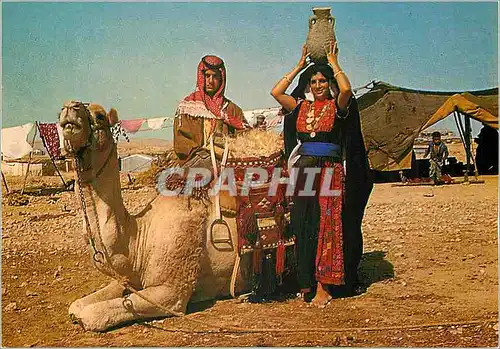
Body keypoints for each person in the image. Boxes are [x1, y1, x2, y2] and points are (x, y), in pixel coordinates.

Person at [270, 43, 373, 307]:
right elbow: (276, 91)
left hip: (329, 171)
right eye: (313, 81)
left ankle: (324, 286)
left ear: (328, 84)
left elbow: (347, 90)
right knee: (306, 225)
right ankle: (307, 282)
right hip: (304, 172)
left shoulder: (337, 107)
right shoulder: (301, 107)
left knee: (328, 226)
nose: (318, 85)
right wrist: (299, 63)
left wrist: (333, 62)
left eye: (322, 81)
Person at [173, 55, 250, 170]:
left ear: (221, 79)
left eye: (215, 77)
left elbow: (244, 138)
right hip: (196, 164)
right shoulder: (187, 108)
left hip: (226, 164)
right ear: (201, 77)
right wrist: (206, 156)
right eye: (207, 76)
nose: (210, 81)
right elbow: (182, 142)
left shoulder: (232, 109)